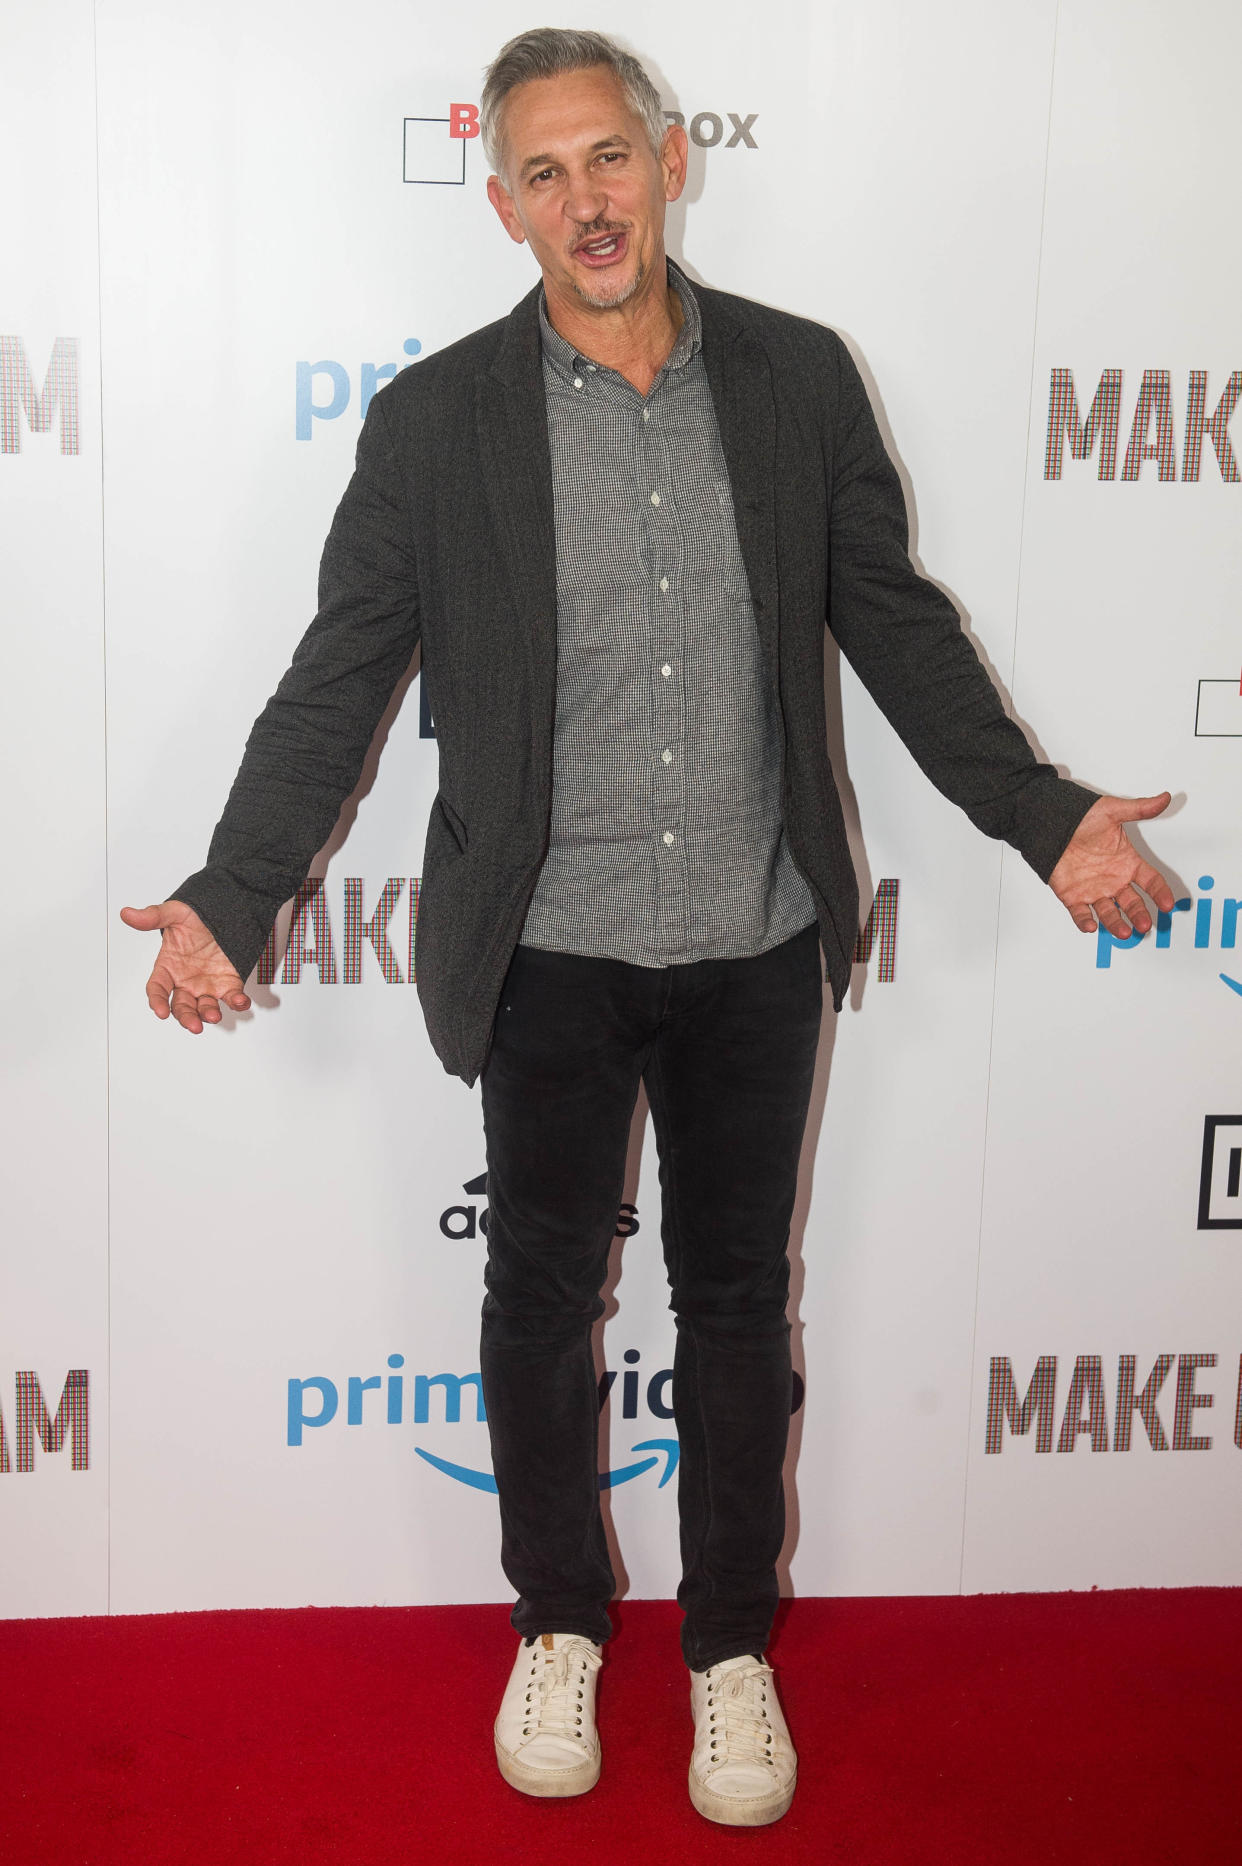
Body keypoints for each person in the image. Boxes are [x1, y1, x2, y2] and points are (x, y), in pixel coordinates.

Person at [122, 27, 1174, 1828]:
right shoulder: (435, 423)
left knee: (735, 1299)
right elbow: (337, 684)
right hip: (546, 951)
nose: (584, 201)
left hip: (755, 939)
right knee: (538, 1298)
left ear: (669, 162)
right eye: (543, 173)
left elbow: (896, 628)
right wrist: (234, 893)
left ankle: (730, 1649)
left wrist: (1040, 810)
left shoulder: (791, 381)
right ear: (500, 201)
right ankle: (555, 1619)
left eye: (608, 158)